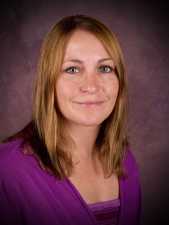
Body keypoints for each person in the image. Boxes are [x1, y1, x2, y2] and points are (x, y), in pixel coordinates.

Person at [0, 15, 141, 225]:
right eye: (72, 69)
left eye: (105, 68)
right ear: (49, 83)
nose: (91, 86)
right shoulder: (7, 169)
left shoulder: (124, 159)